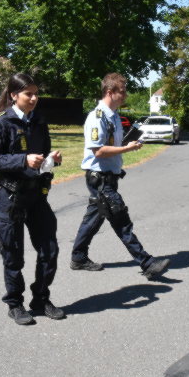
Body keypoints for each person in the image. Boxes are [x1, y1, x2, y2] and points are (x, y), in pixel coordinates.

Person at [70, 73, 170, 280]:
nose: (125, 95)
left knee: (95, 217)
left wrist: (127, 143)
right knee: (120, 219)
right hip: (100, 177)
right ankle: (146, 262)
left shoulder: (113, 115)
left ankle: (78, 257)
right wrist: (126, 148)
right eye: (122, 91)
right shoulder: (97, 117)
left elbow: (113, 145)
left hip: (109, 175)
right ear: (110, 92)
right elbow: (98, 151)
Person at [0, 72, 64, 325]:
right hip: (9, 198)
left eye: (36, 93)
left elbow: (42, 155)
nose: (34, 98)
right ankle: (15, 304)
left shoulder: (39, 120)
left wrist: (52, 160)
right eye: (29, 93)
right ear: (14, 95)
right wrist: (22, 160)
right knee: (13, 254)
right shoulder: (1, 123)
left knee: (49, 250)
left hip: (35, 196)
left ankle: (40, 298)